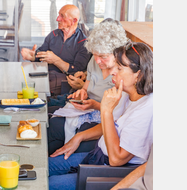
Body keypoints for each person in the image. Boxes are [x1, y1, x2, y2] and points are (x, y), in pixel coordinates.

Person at [48, 41, 153, 190]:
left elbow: (116, 159)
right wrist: (79, 137)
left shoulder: (146, 111)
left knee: (50, 185)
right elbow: (110, 126)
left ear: (139, 75)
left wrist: (105, 110)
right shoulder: (126, 93)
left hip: (110, 170)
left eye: (119, 68)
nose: (112, 72)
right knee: (45, 166)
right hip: (96, 155)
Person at [48, 18, 129, 155]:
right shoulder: (95, 61)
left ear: (117, 53)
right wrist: (81, 93)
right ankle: (49, 163)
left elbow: (118, 113)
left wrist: (94, 105)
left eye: (102, 56)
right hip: (87, 108)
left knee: (54, 127)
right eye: (95, 55)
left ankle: (54, 165)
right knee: (50, 121)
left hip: (103, 116)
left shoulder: (123, 74)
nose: (97, 61)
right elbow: (86, 88)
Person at [20, 4, 92, 95]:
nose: (57, 19)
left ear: (74, 20)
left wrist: (55, 60)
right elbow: (41, 54)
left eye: (62, 16)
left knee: (34, 90)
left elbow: (77, 71)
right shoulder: (53, 34)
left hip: (64, 82)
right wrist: (33, 56)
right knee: (22, 82)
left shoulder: (84, 42)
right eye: (59, 15)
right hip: (45, 76)